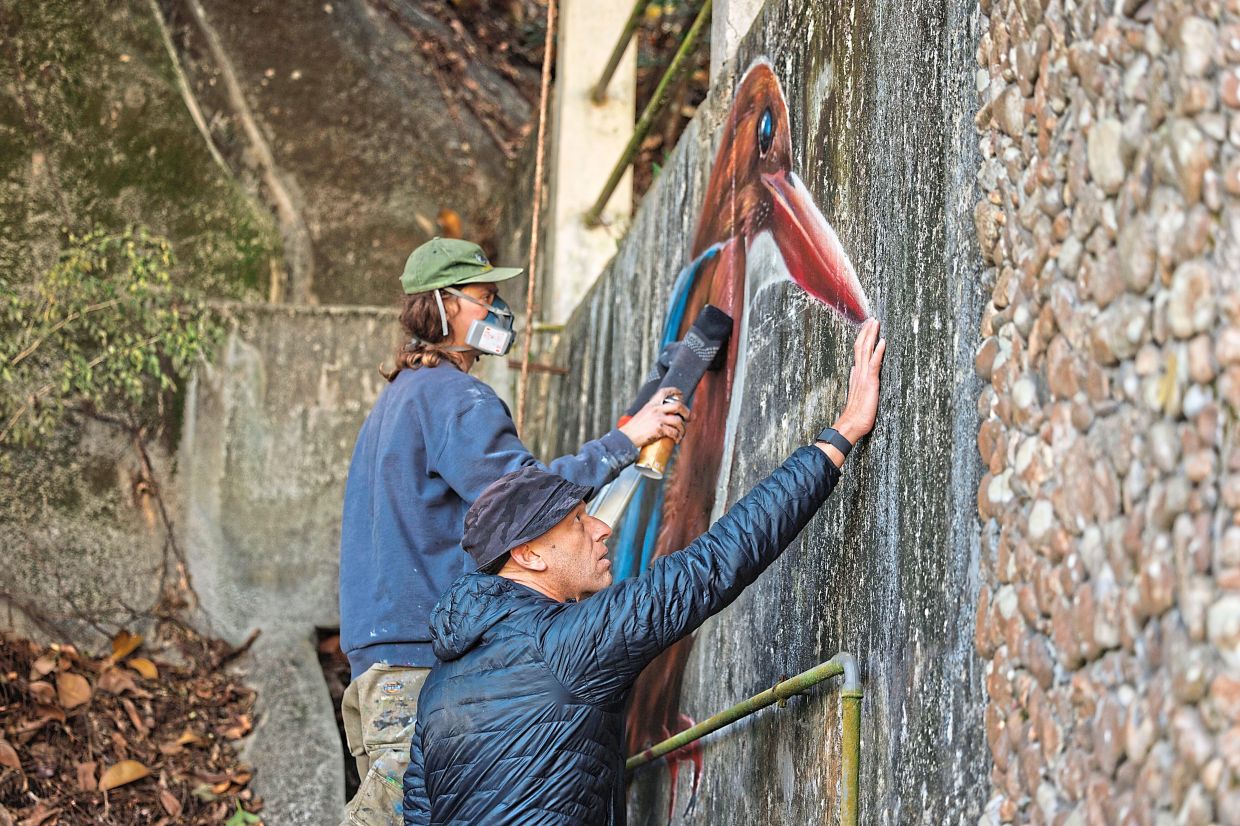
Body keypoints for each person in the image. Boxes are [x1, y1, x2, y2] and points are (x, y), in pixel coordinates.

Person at [402, 319, 887, 826]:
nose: (600, 530)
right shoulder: (567, 645)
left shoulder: (437, 690)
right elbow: (715, 563)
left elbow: (419, 817)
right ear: (529, 555)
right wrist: (843, 433)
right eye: (576, 524)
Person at [338, 237, 691, 826]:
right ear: (444, 305)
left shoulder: (399, 399)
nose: (499, 312)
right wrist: (626, 443)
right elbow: (523, 504)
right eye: (485, 298)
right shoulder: (458, 399)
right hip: (417, 668)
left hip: (378, 665)